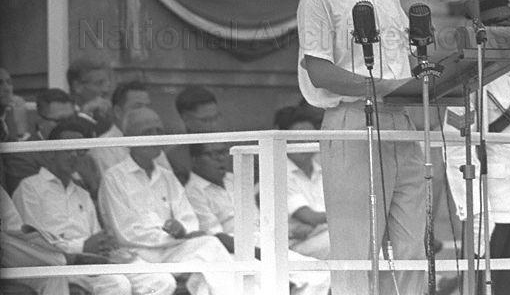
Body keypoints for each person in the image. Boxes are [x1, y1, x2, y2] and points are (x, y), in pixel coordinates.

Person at [296, 0, 425, 294]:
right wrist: (381, 87)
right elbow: (317, 70)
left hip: (402, 123)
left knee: (412, 248)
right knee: (356, 250)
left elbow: (402, 56)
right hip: (352, 122)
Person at [13, 116, 177, 295]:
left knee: (162, 280)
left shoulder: (82, 194)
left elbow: (95, 237)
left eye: (81, 150)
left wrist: (106, 245)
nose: (75, 155)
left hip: (95, 261)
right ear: (50, 151)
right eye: (68, 149)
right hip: (59, 265)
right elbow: (34, 245)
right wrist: (82, 247)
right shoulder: (30, 188)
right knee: (117, 284)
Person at [441, 0, 510, 295]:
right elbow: (458, 147)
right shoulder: (467, 83)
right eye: (497, 26)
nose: (506, 33)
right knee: (486, 288)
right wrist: (474, 210)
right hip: (489, 205)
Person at [98, 107, 238, 295]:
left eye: (159, 131)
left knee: (211, 246)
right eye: (148, 132)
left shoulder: (166, 176)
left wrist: (181, 229)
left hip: (171, 251)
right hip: (138, 255)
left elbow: (188, 219)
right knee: (180, 278)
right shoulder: (114, 178)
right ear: (129, 137)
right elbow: (126, 233)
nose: (156, 137)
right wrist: (170, 236)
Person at [185, 141, 331, 295]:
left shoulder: (233, 179)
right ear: (194, 159)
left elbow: (258, 219)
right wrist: (260, 252)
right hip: (232, 251)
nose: (219, 158)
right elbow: (216, 237)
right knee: (266, 284)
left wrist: (285, 234)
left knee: (319, 273)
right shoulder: (192, 191)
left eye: (222, 153)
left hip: (264, 243)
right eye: (211, 154)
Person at [4, 88, 99, 196]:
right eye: (60, 121)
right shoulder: (22, 155)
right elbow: (35, 197)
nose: (67, 125)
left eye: (71, 119)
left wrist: (92, 183)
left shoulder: (83, 153)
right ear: (40, 121)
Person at [274, 105, 331, 260]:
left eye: (309, 137)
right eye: (299, 138)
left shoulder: (324, 167)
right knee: (344, 242)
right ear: (284, 140)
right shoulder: (277, 173)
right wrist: (347, 216)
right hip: (295, 248)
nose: (305, 144)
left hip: (326, 235)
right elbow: (309, 217)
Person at [67, 58, 113, 135]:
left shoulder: (108, 116)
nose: (106, 90)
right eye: (99, 83)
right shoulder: (63, 116)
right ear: (77, 86)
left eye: (107, 84)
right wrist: (84, 115)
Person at [0, 67, 29, 141]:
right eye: (0, 83)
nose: (7, 88)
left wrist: (20, 128)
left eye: (9, 82)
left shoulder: (9, 114)